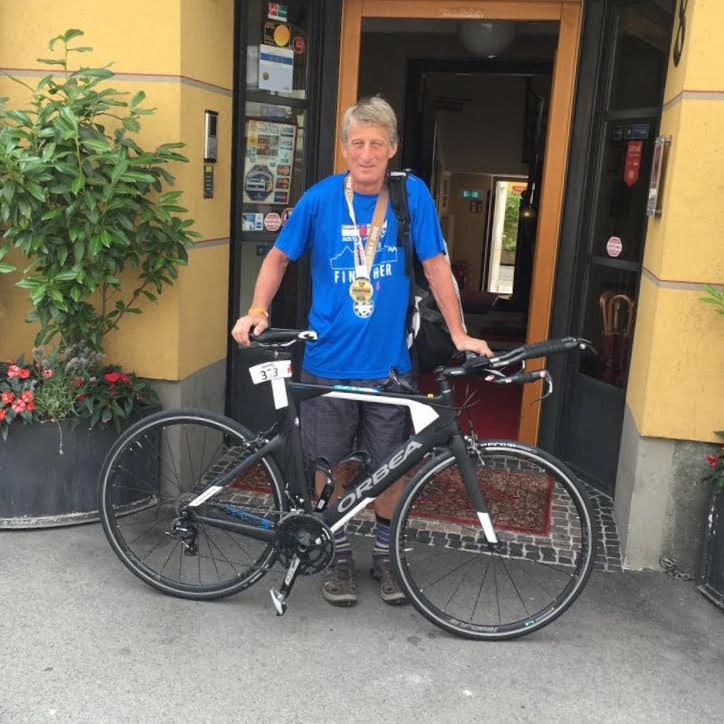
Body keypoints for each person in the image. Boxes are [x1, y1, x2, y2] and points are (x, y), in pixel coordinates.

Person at [232, 95, 492, 607]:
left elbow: (437, 266)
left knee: (390, 465)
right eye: (357, 143)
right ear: (344, 148)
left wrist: (460, 334)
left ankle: (386, 555)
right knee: (330, 464)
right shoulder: (321, 199)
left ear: (392, 147)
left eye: (377, 144)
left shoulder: (409, 195)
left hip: (388, 365)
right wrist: (258, 309)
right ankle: (340, 556)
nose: (367, 154)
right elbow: (279, 257)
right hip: (328, 360)